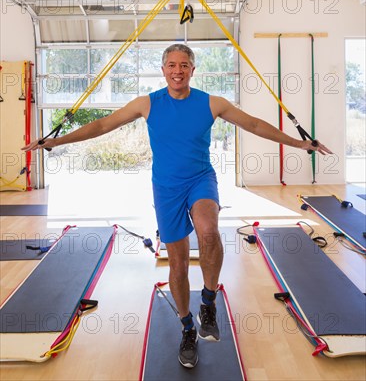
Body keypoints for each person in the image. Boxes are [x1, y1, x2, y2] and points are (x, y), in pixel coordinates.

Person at [23, 44, 332, 368]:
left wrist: (299, 142)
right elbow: (102, 125)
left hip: (200, 179)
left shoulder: (212, 103)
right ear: (163, 69)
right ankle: (187, 328)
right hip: (166, 188)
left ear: (193, 70)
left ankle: (209, 303)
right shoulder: (148, 103)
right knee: (178, 264)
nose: (178, 70)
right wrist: (55, 140)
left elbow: (253, 124)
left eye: (184, 65)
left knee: (209, 232)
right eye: (171, 64)